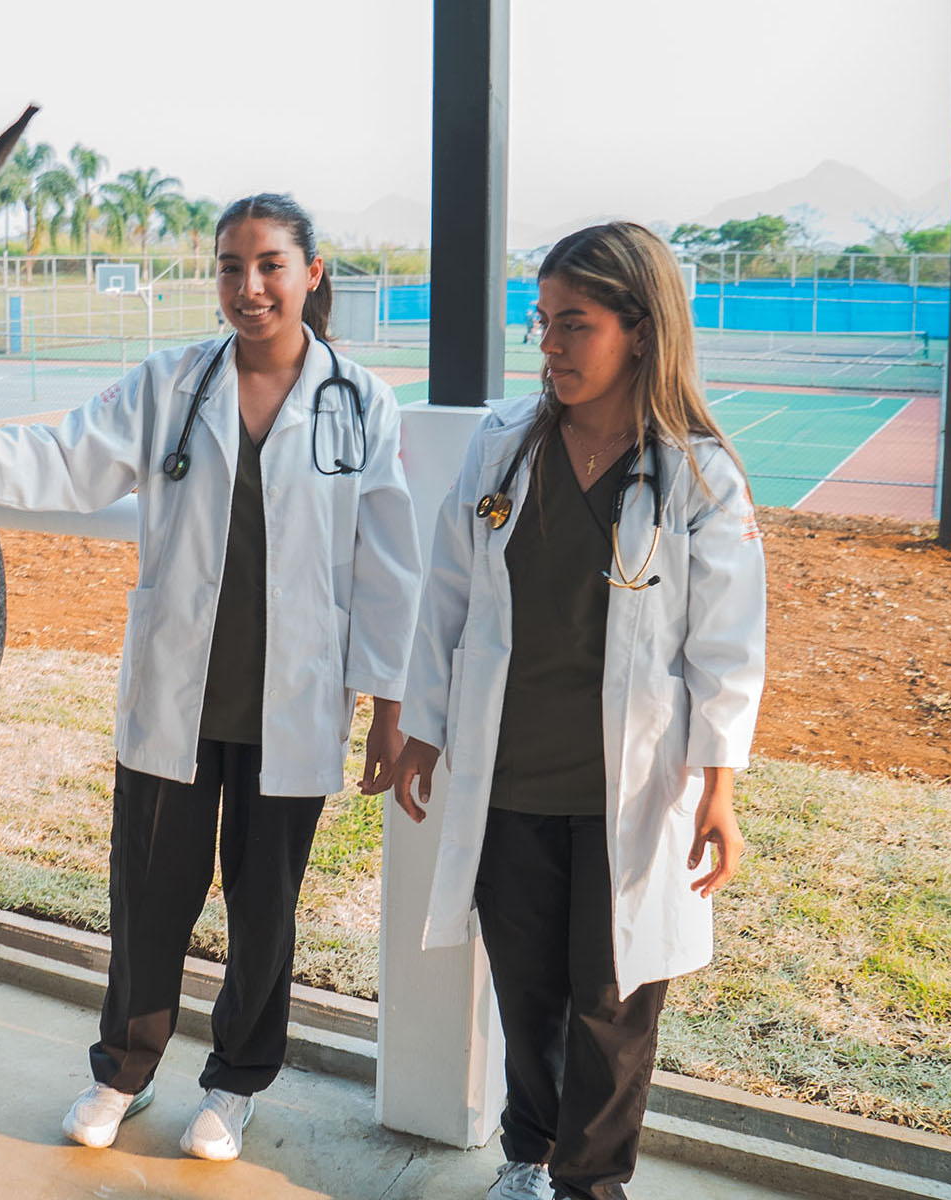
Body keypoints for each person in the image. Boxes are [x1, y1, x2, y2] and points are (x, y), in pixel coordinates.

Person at [0, 194, 420, 1162]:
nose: (248, 287)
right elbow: (61, 464)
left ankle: (235, 1085)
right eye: (229, 266)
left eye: (269, 265)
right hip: (178, 696)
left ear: (311, 274)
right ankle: (121, 1072)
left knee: (264, 911)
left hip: (291, 702)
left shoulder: (358, 401)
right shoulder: (172, 384)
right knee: (149, 899)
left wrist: (391, 704)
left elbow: (388, 561)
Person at [369, 222, 765, 1200]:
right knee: (528, 991)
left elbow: (727, 648)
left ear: (639, 328)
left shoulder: (698, 476)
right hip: (512, 782)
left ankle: (593, 1184)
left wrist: (719, 786)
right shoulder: (504, 449)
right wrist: (423, 726)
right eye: (541, 323)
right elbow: (446, 602)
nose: (547, 345)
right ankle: (526, 1158)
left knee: (613, 1001)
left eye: (572, 325)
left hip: (631, 794)